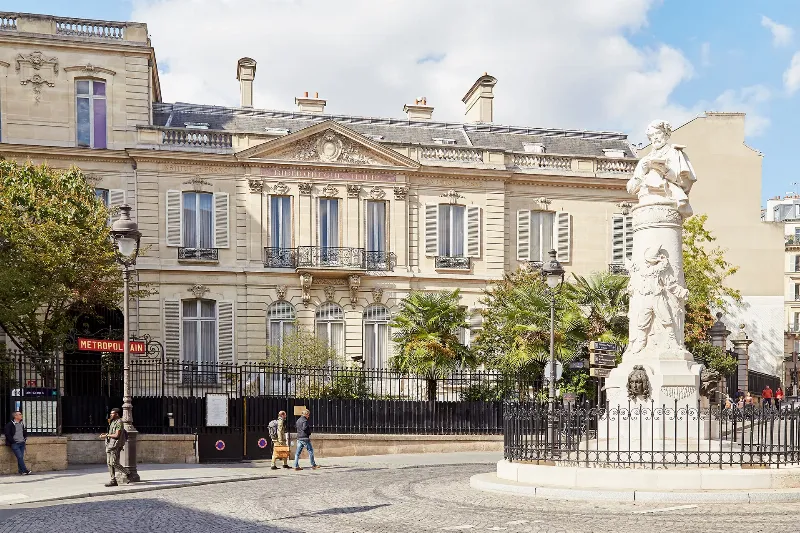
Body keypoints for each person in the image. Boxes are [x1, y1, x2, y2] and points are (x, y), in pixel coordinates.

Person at [100, 408, 130, 487]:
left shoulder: (119, 422)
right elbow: (112, 433)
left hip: (115, 445)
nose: (111, 415)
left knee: (114, 463)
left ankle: (127, 473)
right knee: (109, 463)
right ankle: (113, 480)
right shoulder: (112, 422)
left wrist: (106, 435)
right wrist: (106, 434)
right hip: (109, 445)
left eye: (112, 413)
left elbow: (117, 435)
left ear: (116, 414)